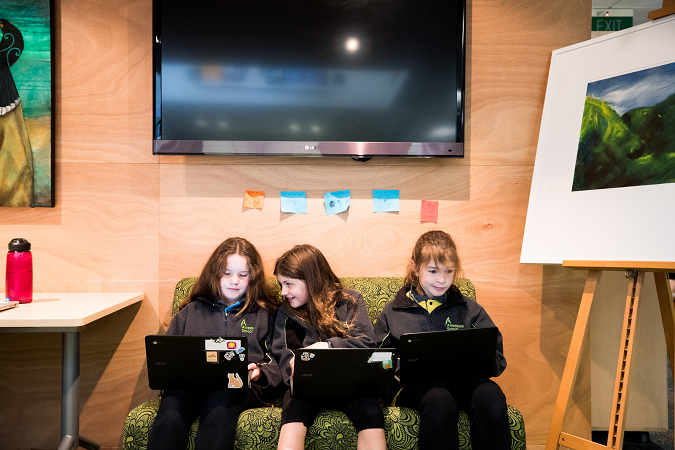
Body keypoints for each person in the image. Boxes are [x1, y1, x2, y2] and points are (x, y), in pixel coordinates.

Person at [374, 230, 510, 450]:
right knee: (439, 399)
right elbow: (378, 358)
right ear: (415, 267)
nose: (442, 279)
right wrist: (403, 368)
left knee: (490, 395)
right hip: (414, 388)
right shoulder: (393, 311)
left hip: (463, 381)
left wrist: (475, 360)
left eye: (449, 271)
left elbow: (497, 358)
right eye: (432, 271)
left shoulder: (470, 309)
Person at [147, 237, 281, 450]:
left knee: (220, 409)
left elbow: (280, 359)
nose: (234, 280)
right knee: (170, 414)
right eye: (226, 273)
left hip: (238, 387)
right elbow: (166, 356)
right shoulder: (190, 312)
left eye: (242, 275)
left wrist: (260, 372)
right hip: (188, 387)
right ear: (214, 273)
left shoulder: (265, 314)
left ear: (252, 278)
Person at [271, 244, 386, 450]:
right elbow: (282, 356)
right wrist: (296, 366)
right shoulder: (286, 313)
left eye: (289, 284)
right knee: (294, 408)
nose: (283, 292)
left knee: (370, 408)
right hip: (307, 388)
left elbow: (368, 344)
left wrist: (328, 346)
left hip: (352, 384)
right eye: (281, 284)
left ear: (311, 280)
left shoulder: (350, 301)